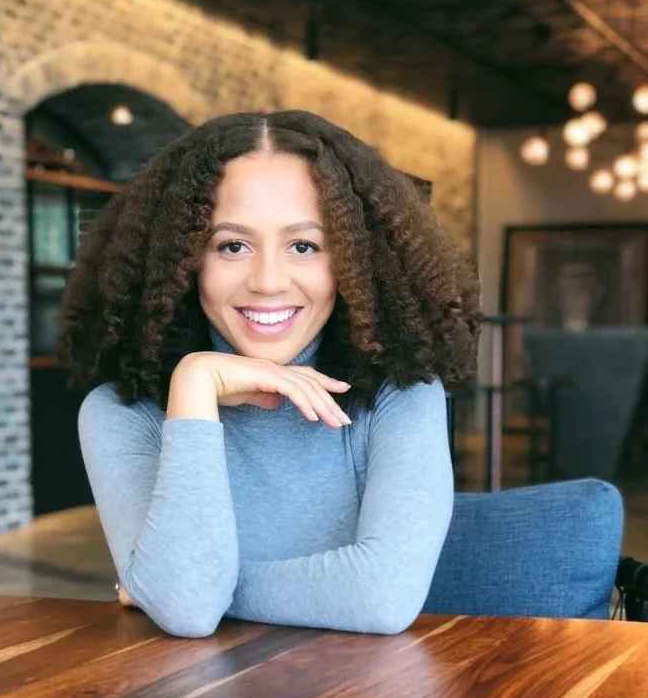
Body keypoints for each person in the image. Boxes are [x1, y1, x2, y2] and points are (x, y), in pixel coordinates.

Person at [58, 110, 480, 638]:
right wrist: (194, 384)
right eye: (232, 245)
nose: (268, 281)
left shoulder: (400, 398)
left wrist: (164, 587)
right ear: (181, 258)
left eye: (304, 246)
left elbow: (382, 598)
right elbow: (187, 610)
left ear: (354, 259)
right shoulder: (122, 413)